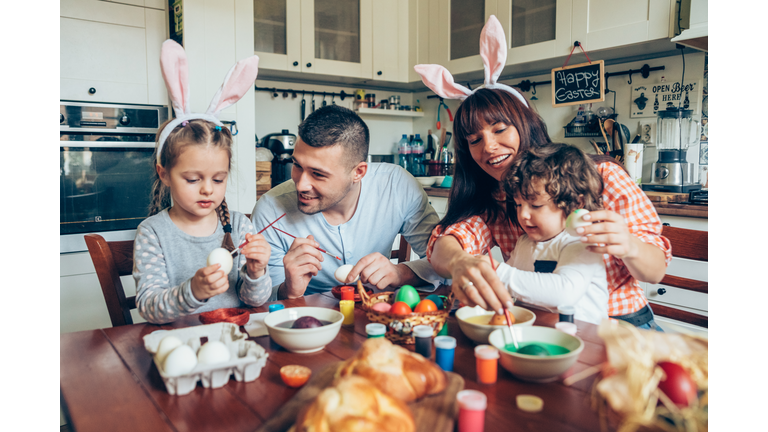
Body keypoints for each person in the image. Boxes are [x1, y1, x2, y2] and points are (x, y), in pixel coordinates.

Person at [414, 15, 670, 330]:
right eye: (475, 140)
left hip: (622, 327)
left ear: (526, 125)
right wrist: (461, 262)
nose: (489, 147)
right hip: (545, 326)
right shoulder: (494, 196)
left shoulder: (600, 176)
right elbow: (444, 246)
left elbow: (655, 272)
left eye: (499, 129)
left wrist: (628, 244)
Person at [133, 40, 271, 324]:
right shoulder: (153, 233)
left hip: (237, 341)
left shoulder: (239, 225)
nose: (208, 188)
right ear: (164, 174)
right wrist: (192, 292)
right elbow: (148, 307)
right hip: (180, 343)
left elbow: (254, 301)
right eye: (193, 179)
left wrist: (257, 272)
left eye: (218, 179)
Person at [251, 105, 447, 300]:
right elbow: (260, 301)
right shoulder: (271, 210)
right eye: (297, 165)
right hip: (308, 319)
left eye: (318, 174)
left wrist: (399, 273)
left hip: (378, 315)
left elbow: (444, 263)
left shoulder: (396, 186)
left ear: (358, 172)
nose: (301, 185)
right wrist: (288, 290)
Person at [493, 143, 609, 325]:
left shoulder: (582, 242)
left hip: (583, 340)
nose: (523, 215)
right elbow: (502, 285)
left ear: (575, 204)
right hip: (538, 333)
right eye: (518, 204)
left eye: (536, 205)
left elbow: (564, 293)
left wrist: (498, 271)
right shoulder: (524, 243)